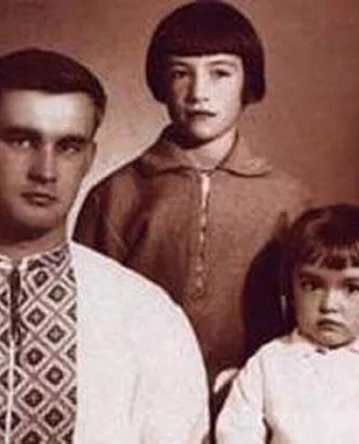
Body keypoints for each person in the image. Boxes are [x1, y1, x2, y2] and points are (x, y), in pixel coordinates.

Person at [0, 48, 208, 443]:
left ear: (89, 158)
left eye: (69, 146)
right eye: (21, 141)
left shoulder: (147, 318)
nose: (46, 171)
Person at [73, 1, 310, 396]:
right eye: (181, 73)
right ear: (160, 84)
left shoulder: (288, 199)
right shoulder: (116, 194)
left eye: (220, 73)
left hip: (257, 400)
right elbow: (88, 318)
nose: (199, 93)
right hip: (140, 396)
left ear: (248, 82)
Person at [216, 204, 359, 443]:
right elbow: (235, 435)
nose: (329, 304)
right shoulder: (269, 363)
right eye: (312, 285)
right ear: (290, 289)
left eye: (351, 288)